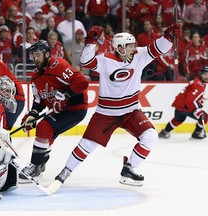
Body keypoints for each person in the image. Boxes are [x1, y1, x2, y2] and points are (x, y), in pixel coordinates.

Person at [50, 23, 182, 188]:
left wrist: (169, 36)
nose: (134, 48)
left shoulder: (139, 55)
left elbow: (159, 48)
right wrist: (91, 42)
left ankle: (129, 168)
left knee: (150, 136)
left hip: (131, 111)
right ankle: (65, 172)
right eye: (130, 45)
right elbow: (86, 61)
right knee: (87, 145)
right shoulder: (106, 60)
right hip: (106, 113)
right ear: (120, 48)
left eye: (134, 44)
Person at [19, 39, 89, 179]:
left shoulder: (58, 65)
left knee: (44, 127)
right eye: (33, 55)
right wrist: (33, 114)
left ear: (46, 54)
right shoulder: (35, 77)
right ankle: (41, 162)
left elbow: (82, 81)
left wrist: (65, 95)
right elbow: (39, 101)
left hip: (75, 109)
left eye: (38, 55)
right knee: (47, 135)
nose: (35, 58)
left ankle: (35, 166)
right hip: (58, 111)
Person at [159, 66, 208, 139]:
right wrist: (196, 109)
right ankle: (197, 133)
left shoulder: (198, 81)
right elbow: (190, 100)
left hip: (180, 105)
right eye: (205, 74)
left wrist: (199, 100)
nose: (206, 76)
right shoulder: (198, 85)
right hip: (186, 106)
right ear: (200, 74)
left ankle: (165, 132)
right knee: (204, 117)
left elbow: (190, 95)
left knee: (178, 119)